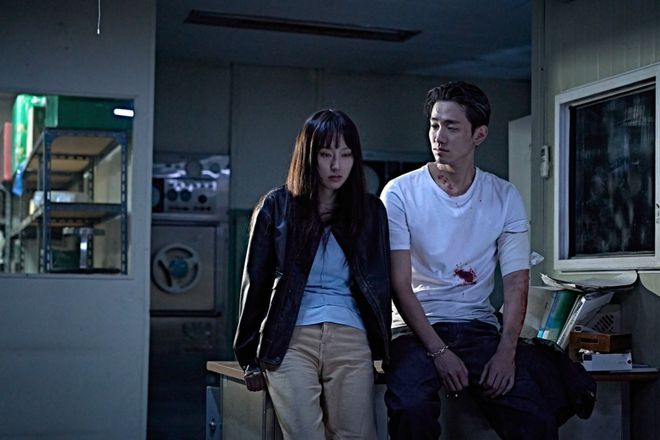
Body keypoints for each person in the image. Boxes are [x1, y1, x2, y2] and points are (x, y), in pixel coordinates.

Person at [380, 81, 595, 439]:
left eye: (451, 127)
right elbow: (399, 284)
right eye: (434, 125)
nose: (438, 137)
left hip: (478, 328)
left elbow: (517, 282)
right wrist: (439, 352)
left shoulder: (503, 196)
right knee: (410, 408)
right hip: (414, 329)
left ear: (479, 135)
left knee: (535, 415)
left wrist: (506, 352)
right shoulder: (400, 192)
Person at [233, 109, 391, 440]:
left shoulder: (370, 211)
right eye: (325, 154)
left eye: (346, 154)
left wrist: (386, 351)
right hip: (291, 338)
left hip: (350, 336)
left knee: (356, 436)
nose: (336, 165)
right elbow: (256, 284)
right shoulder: (277, 206)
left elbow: (381, 284)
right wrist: (247, 356)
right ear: (308, 156)